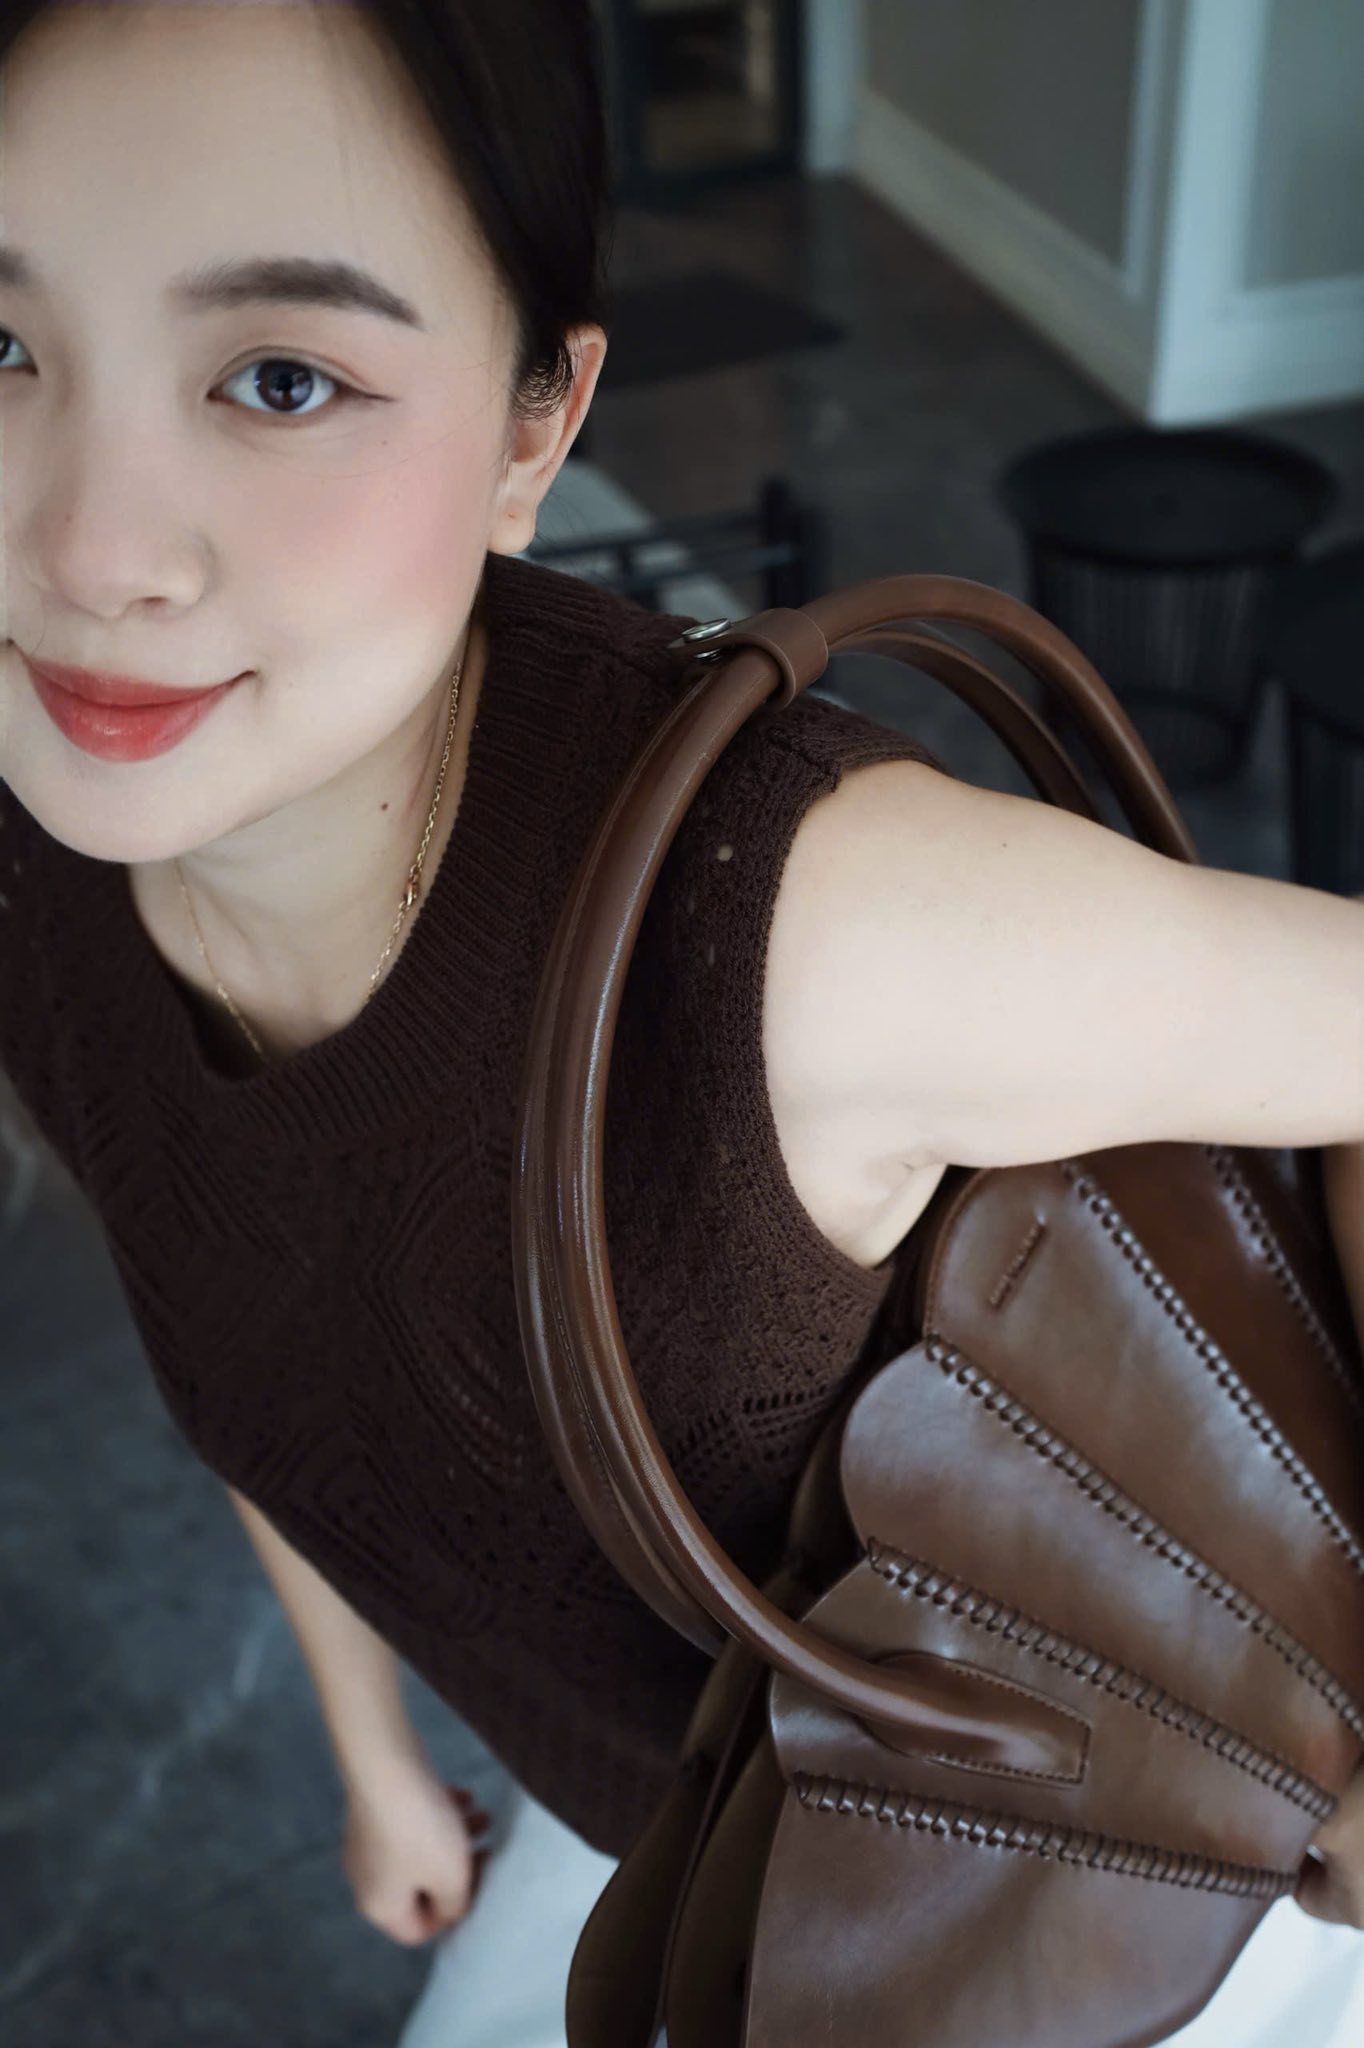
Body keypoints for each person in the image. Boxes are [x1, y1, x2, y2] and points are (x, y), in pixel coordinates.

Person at [0, 4, 1362, 2044]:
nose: (88, 551)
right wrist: (376, 1753)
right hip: (698, 1841)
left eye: (283, 378)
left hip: (1121, 1907)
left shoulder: (807, 931)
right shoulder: (45, 842)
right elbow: (238, 1309)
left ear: (535, 430)